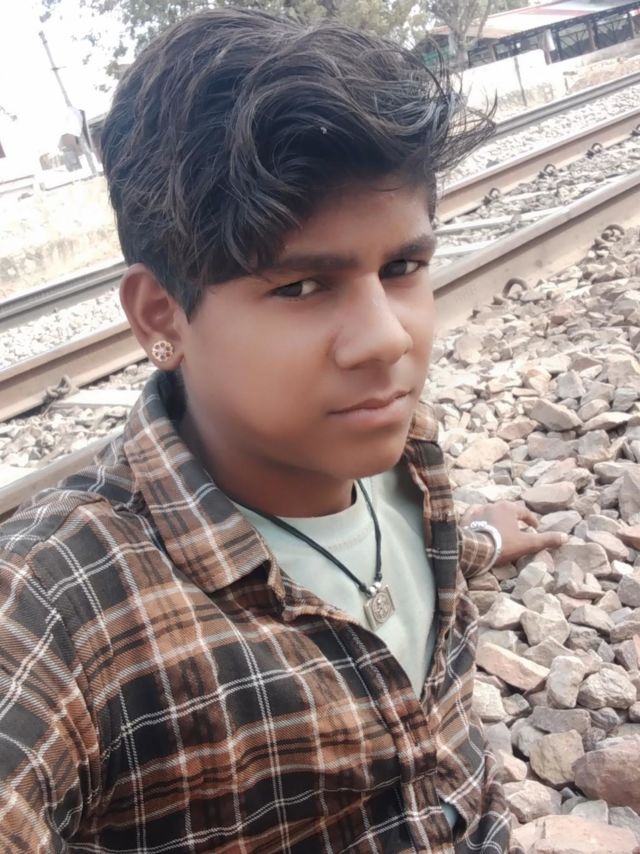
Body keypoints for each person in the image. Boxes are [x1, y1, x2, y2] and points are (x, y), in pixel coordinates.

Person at [0, 9, 568, 852]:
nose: (386, 339)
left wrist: (478, 540)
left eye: (403, 268)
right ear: (161, 315)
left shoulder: (404, 455)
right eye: (301, 287)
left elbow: (383, 571)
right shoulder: (63, 601)